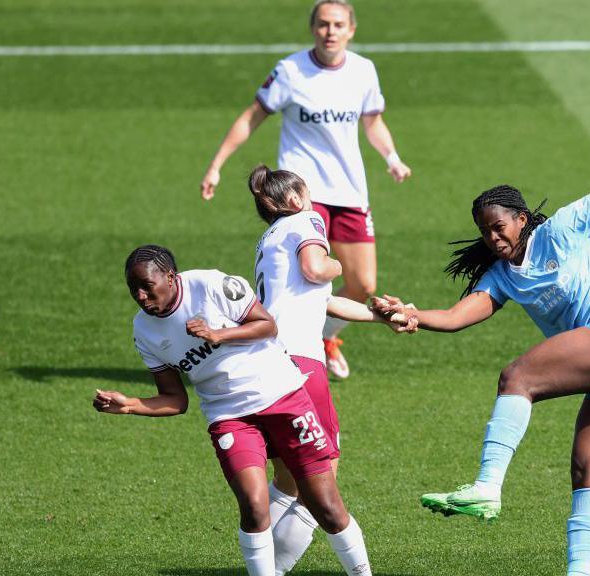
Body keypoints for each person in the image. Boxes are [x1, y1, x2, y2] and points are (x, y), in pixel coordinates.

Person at [373, 117, 590, 576]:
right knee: (588, 474)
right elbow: (457, 318)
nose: (494, 238)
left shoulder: (563, 229)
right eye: (486, 231)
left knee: (519, 377)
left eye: (500, 226)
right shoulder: (500, 278)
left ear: (521, 219)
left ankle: (487, 485)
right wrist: (414, 315)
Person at [93, 245, 376, 576]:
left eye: (146, 285)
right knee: (254, 508)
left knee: (326, 507)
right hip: (229, 417)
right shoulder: (144, 329)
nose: (140, 296)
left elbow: (267, 325)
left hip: (282, 396)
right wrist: (129, 405)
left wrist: (218, 334)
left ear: (170, 277)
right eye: (132, 288)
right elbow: (175, 399)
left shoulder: (211, 285)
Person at [200, 0, 413, 379]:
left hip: (349, 190)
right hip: (300, 196)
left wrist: (392, 157)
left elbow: (373, 123)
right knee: (298, 279)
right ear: (313, 28)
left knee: (363, 283)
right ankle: (284, 350)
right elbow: (252, 116)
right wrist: (216, 165)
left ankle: (324, 338)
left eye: (338, 24)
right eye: (323, 24)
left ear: (351, 30)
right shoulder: (290, 71)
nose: (330, 31)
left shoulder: (363, 71)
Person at [248, 164, 416, 575]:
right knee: (320, 479)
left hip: (265, 362)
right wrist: (339, 264)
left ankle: (264, 567)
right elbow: (316, 270)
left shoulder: (268, 240)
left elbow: (321, 300)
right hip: (299, 364)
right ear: (294, 200)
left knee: (289, 478)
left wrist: (380, 318)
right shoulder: (305, 219)